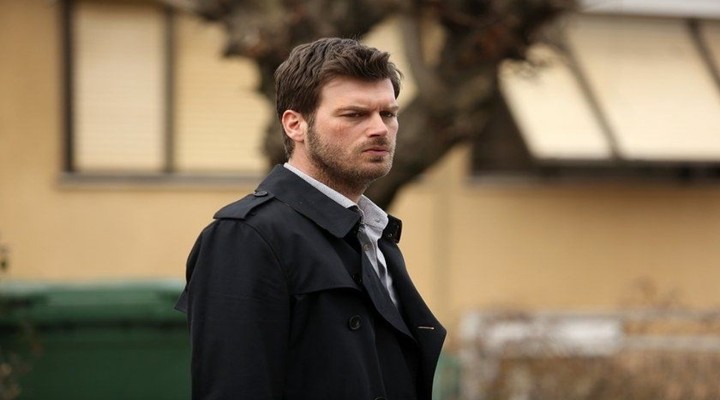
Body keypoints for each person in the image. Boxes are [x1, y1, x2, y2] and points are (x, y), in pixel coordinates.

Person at [176, 37, 446, 400]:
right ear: (295, 125)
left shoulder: (373, 234)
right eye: (354, 114)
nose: (380, 129)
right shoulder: (246, 237)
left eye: (388, 114)